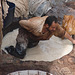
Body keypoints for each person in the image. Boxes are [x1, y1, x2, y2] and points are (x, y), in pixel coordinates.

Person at [5, 16, 75, 59]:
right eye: (53, 27)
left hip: (34, 37)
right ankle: (10, 49)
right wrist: (29, 25)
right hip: (25, 33)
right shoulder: (34, 25)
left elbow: (63, 33)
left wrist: (72, 40)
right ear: (47, 25)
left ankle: (29, 42)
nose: (54, 29)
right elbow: (21, 22)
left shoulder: (54, 27)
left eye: (55, 27)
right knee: (21, 53)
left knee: (32, 46)